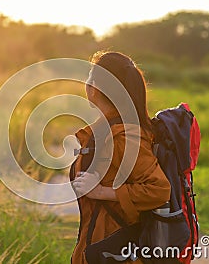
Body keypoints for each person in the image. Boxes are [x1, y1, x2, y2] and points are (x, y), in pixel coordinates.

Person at [70, 51, 171, 264]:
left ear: (95, 88)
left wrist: (101, 191)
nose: (85, 85)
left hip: (116, 251)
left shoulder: (124, 137)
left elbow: (159, 190)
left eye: (89, 78)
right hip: (98, 245)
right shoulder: (105, 130)